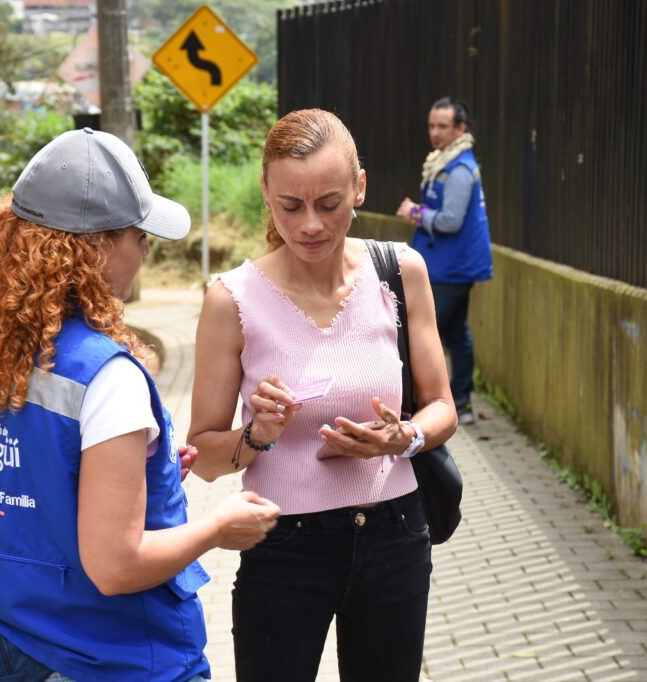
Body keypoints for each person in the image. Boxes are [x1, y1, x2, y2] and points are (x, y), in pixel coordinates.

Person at [0, 128, 280, 681]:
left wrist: (141, 478)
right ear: (95, 245)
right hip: (116, 658)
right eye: (140, 235)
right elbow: (115, 566)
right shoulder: (108, 378)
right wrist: (220, 528)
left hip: (17, 650)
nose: (147, 250)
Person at [188, 109, 457, 682]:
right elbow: (205, 459)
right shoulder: (230, 300)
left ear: (360, 186)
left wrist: (401, 437)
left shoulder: (400, 271)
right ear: (266, 191)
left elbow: (442, 408)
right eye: (290, 206)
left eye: (329, 203)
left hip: (395, 534)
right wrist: (257, 432)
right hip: (284, 544)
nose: (310, 224)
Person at [396, 97, 493, 425]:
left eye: (443, 126)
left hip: (453, 267)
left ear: (460, 128)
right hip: (449, 262)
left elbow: (451, 220)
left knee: (425, 333)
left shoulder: (460, 169)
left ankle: (430, 405)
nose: (435, 133)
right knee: (456, 334)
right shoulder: (444, 161)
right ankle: (461, 403)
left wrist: (415, 213)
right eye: (431, 126)